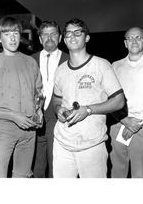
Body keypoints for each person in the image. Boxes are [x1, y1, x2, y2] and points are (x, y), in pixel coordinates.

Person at [52, 18, 125, 178]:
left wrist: (89, 110)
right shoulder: (61, 70)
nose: (72, 36)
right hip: (62, 143)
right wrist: (59, 109)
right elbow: (56, 100)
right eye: (68, 33)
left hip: (92, 144)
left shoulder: (101, 65)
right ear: (64, 39)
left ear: (87, 37)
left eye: (77, 32)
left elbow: (119, 101)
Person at [0, 16, 43, 178]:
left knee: (22, 177)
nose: (12, 38)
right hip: (4, 130)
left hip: (29, 129)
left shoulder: (30, 62)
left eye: (16, 33)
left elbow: (38, 94)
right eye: (7, 34)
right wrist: (12, 116)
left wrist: (38, 109)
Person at [110, 27, 143, 178]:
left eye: (138, 37)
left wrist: (136, 124)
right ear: (125, 43)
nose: (134, 41)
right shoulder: (115, 66)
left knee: (141, 175)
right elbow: (109, 98)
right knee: (117, 172)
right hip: (118, 124)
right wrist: (124, 119)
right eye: (130, 38)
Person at [32, 20, 68, 178]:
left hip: (59, 119)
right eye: (45, 34)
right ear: (40, 39)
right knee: (36, 166)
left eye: (53, 34)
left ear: (60, 37)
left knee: (57, 166)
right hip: (34, 120)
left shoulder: (70, 60)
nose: (49, 38)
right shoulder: (29, 60)